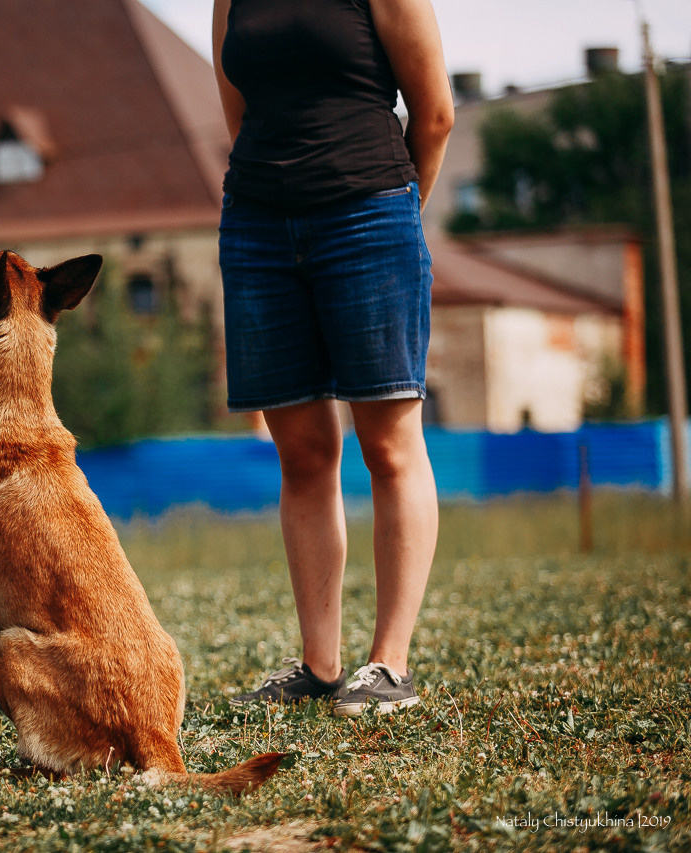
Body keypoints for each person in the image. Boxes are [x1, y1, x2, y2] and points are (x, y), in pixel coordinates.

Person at [212, 0, 453, 716]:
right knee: (304, 452)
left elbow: (434, 114)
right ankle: (319, 664)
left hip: (368, 214)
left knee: (388, 443)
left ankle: (389, 663)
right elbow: (240, 114)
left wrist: (397, 209)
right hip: (257, 224)